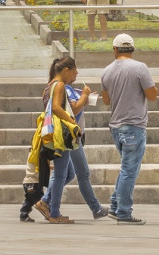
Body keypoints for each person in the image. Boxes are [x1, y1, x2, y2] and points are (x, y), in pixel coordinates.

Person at [36, 57, 109, 223]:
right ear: (66, 70)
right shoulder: (60, 85)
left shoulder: (49, 86)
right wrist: (71, 121)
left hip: (55, 134)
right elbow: (56, 107)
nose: (75, 75)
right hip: (62, 135)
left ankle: (48, 205)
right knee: (61, 174)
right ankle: (54, 214)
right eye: (74, 71)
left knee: (66, 173)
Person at [100, 33, 158, 225]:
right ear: (132, 49)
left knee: (126, 168)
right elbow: (152, 95)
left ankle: (116, 206)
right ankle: (124, 212)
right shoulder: (140, 68)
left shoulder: (107, 71)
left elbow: (106, 100)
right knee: (129, 171)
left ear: (115, 49)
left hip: (116, 126)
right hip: (134, 125)